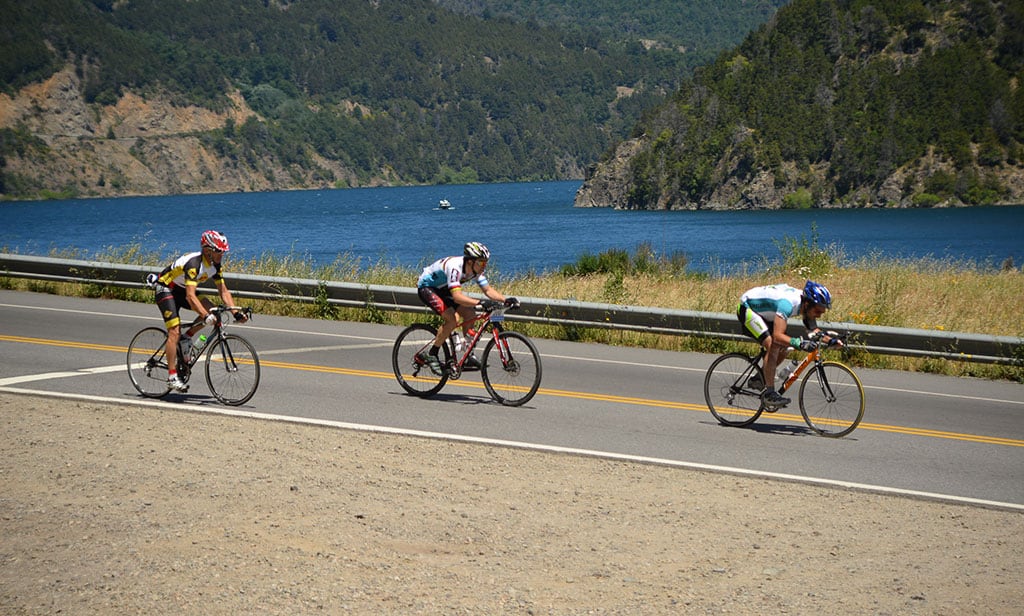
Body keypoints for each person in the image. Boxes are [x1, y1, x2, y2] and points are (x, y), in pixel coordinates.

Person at [150, 230, 247, 392]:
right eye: (219, 251)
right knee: (174, 330)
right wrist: (205, 316)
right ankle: (172, 377)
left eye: (223, 252)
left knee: (214, 311)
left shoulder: (215, 266)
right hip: (166, 288)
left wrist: (235, 312)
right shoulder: (194, 264)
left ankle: (187, 337)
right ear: (208, 250)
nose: (221, 255)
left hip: (182, 290)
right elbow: (190, 296)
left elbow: (223, 291)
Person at [415, 242, 518, 375]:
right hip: (428, 288)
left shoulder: (476, 271)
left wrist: (506, 300)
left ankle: (468, 355)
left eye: (485, 263)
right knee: (452, 320)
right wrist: (480, 302)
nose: (484, 266)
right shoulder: (455, 267)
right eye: (481, 263)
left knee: (470, 314)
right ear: (470, 261)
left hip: (444, 289)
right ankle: (432, 353)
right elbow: (457, 297)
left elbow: (487, 290)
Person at [736, 280, 835, 407]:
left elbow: (813, 330)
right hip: (748, 308)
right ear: (807, 304)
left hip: (766, 314)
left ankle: (758, 379)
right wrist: (798, 343)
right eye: (817, 312)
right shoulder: (787, 304)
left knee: (784, 348)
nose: (819, 316)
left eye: (822, 312)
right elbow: (777, 336)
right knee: (773, 344)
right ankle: (769, 394)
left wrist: (831, 340)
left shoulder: (805, 304)